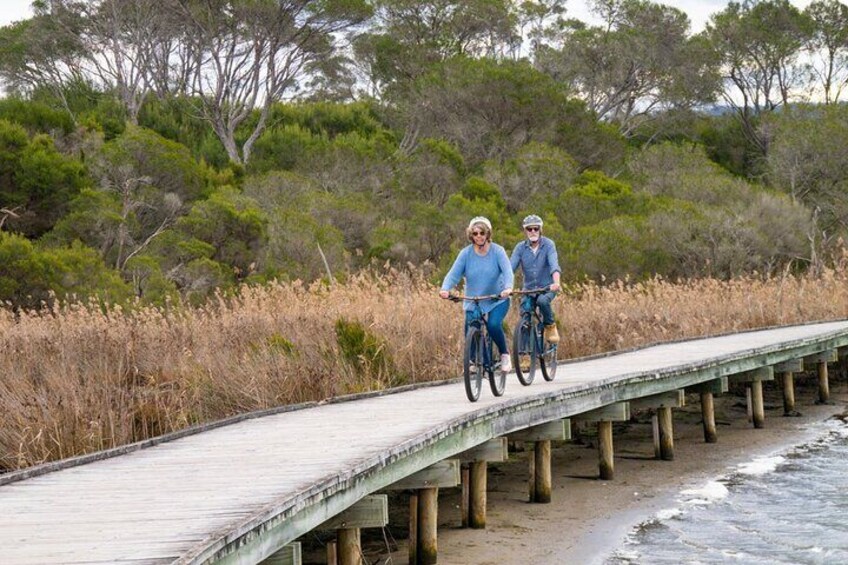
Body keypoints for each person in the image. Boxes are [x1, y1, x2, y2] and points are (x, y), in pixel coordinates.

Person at [440, 216, 514, 373]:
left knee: (493, 325)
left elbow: (508, 272)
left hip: (497, 299)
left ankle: (504, 354)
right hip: (474, 300)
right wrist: (445, 288)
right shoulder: (465, 254)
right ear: (471, 235)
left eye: (482, 233)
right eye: (475, 233)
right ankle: (474, 361)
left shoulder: (498, 251)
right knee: (471, 325)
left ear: (488, 234)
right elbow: (453, 274)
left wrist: (508, 288)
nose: (479, 236)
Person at [510, 214, 561, 343]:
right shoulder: (520, 248)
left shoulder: (549, 245)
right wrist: (504, 286)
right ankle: (525, 354)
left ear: (540, 229)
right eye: (529, 229)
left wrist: (556, 282)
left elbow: (554, 265)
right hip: (529, 290)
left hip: (547, 287)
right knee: (525, 315)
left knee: (543, 302)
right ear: (525, 231)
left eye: (535, 228)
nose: (533, 231)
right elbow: (510, 269)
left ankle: (550, 326)